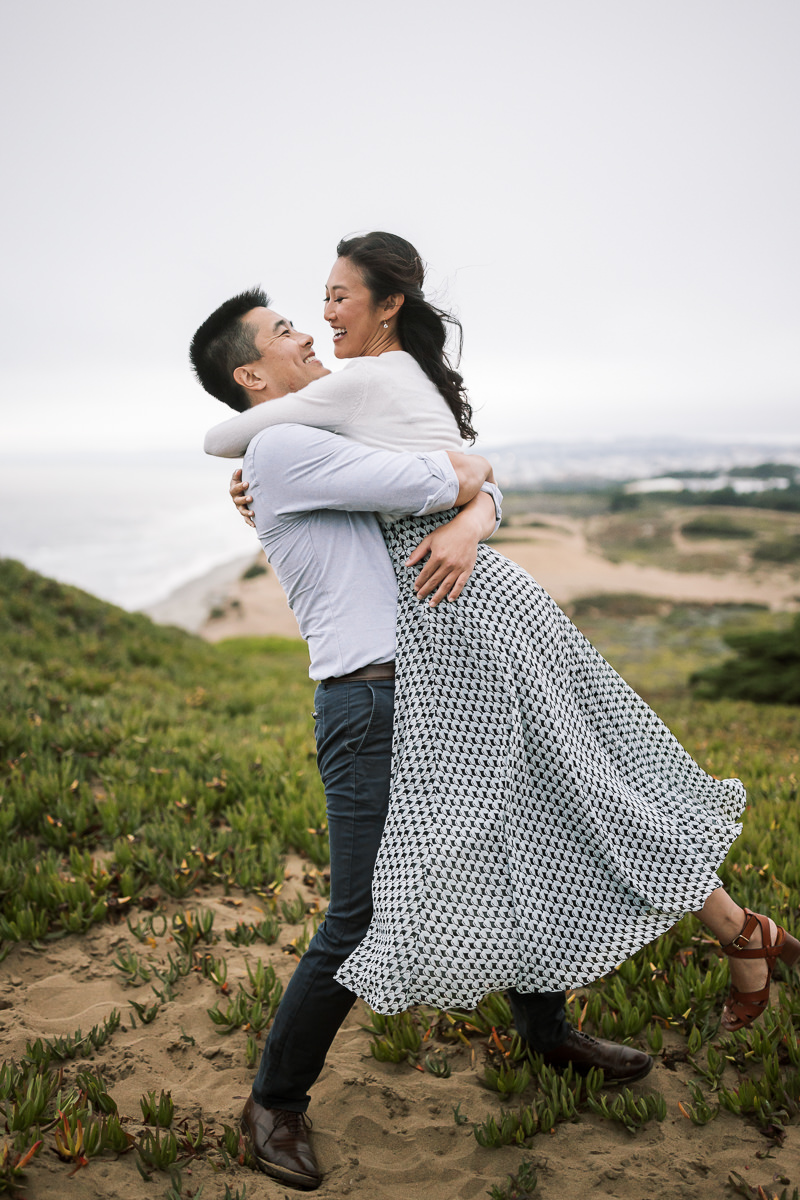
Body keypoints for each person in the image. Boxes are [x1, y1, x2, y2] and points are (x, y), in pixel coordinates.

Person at [204, 233, 798, 1024]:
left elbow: (447, 473)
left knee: (584, 788)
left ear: (389, 306)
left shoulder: (358, 389)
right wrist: (472, 504)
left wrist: (469, 506)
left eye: (338, 298)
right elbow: (452, 475)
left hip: (465, 615)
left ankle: (734, 935)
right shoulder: (344, 405)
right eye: (306, 313)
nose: (320, 321)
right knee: (575, 789)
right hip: (457, 613)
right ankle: (736, 932)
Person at [190, 290, 654, 1190]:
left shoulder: (314, 436)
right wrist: (472, 483)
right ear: (251, 375)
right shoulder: (282, 448)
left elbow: (467, 486)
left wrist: (476, 501)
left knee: (512, 852)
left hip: (440, 687)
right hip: (369, 702)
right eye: (283, 331)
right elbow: (442, 479)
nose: (306, 333)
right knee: (358, 916)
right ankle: (273, 1103)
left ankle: (546, 1031)